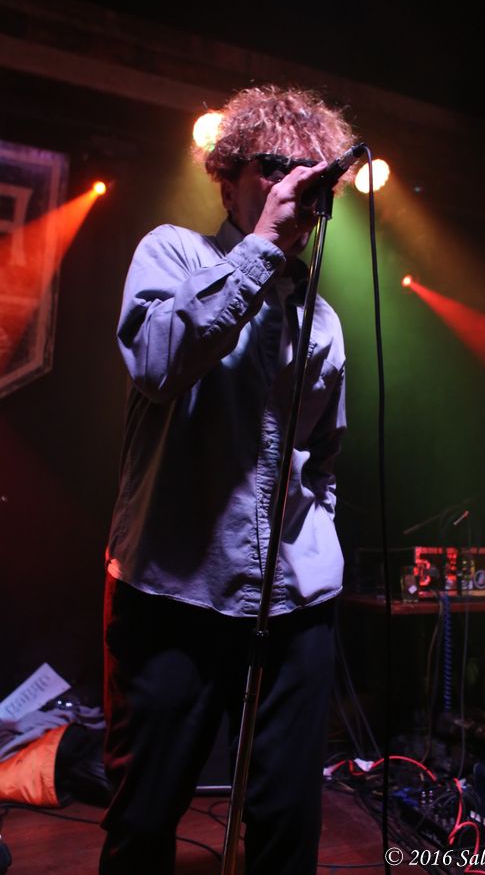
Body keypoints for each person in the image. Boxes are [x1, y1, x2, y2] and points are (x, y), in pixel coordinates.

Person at [100, 85, 357, 875]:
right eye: (274, 167)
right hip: (176, 586)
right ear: (227, 175)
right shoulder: (174, 252)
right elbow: (157, 362)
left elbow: (323, 456)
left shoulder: (323, 318)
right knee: (145, 817)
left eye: (311, 176)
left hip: (295, 600)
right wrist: (262, 249)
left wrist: (319, 537)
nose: (293, 188)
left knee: (287, 823)